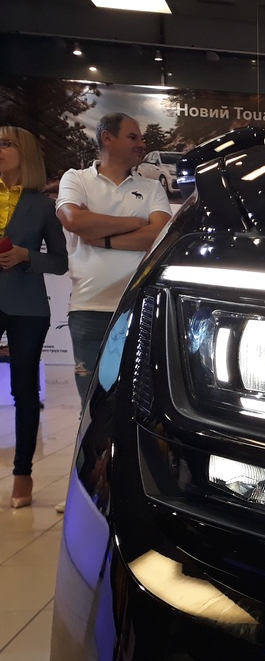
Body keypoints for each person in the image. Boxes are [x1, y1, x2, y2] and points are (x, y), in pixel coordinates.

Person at [54, 113, 171, 514]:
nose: (141, 143)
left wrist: (100, 235)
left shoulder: (151, 187)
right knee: (92, 406)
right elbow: (72, 219)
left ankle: (131, 490)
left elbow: (159, 234)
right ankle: (89, 492)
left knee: (140, 405)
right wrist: (133, 223)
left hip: (140, 307)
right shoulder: (76, 179)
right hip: (89, 310)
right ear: (107, 138)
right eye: (133, 136)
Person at [0, 126, 69, 508]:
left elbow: (59, 261)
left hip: (27, 306)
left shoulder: (42, 205)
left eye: (6, 143)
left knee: (24, 391)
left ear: (24, 152)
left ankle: (22, 474)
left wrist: (27, 256)